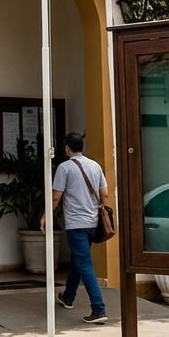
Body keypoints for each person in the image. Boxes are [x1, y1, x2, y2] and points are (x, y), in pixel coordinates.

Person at [42, 132, 110, 325]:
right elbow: (104, 195)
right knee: (78, 260)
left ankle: (98, 309)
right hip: (93, 223)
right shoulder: (95, 166)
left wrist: (45, 215)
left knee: (84, 264)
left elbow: (56, 197)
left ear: (67, 148)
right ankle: (68, 296)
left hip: (76, 224)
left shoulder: (64, 168)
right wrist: (105, 216)